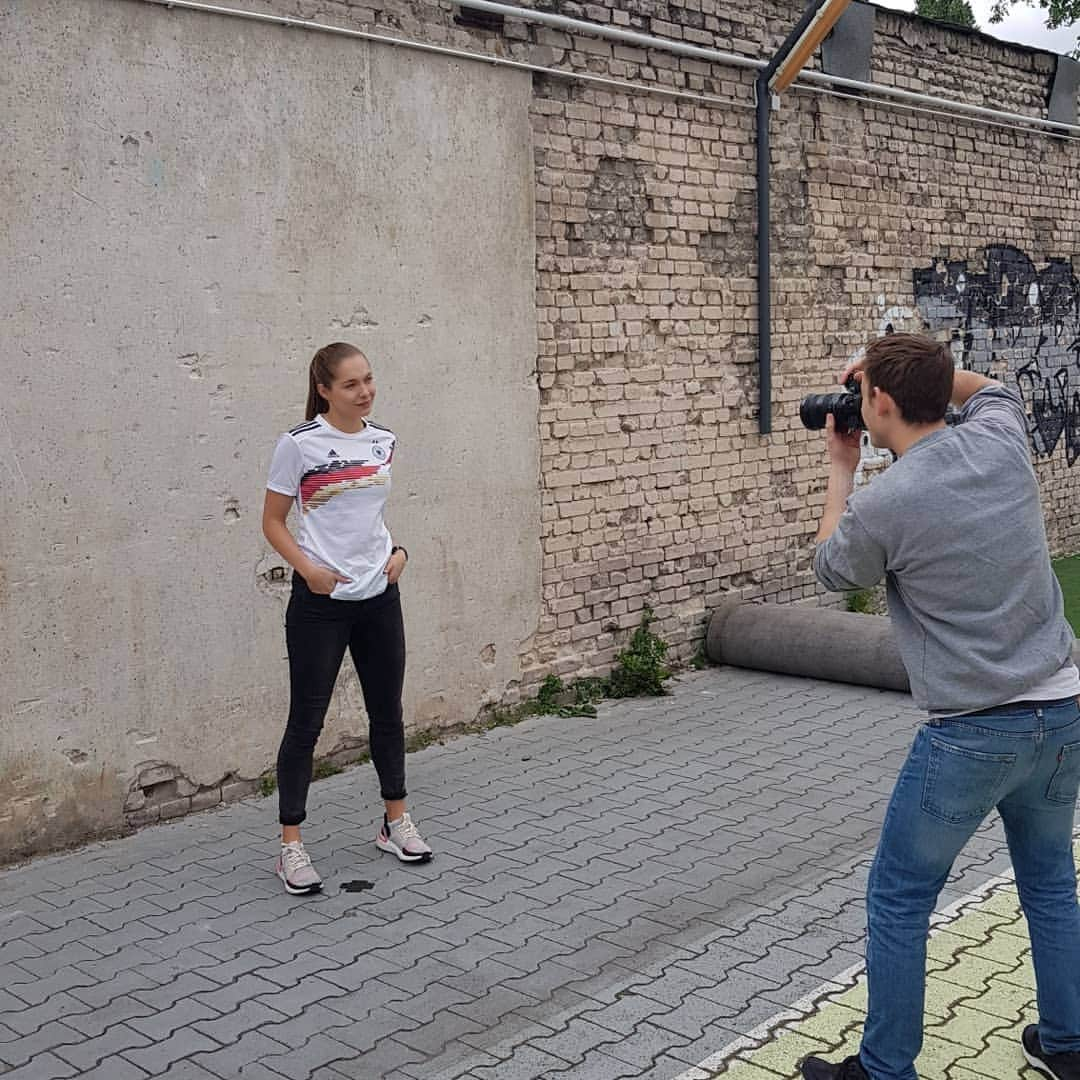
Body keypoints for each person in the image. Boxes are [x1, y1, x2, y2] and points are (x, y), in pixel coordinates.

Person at [801, 333, 1080, 1080]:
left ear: (878, 404)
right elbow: (990, 391)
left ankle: (886, 1069)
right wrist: (923, 377)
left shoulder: (886, 503)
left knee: (899, 898)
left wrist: (841, 466)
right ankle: (1069, 1045)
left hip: (970, 735)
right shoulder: (998, 438)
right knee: (1050, 880)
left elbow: (832, 565)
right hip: (1061, 711)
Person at [262, 342, 432, 895]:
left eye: (369, 380)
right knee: (305, 723)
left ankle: (395, 821)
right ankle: (291, 847)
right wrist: (309, 571)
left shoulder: (383, 440)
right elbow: (273, 522)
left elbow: (368, 517)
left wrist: (399, 554)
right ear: (325, 390)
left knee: (388, 713)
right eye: (352, 384)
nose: (366, 392)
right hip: (321, 606)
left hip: (380, 595)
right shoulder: (299, 445)